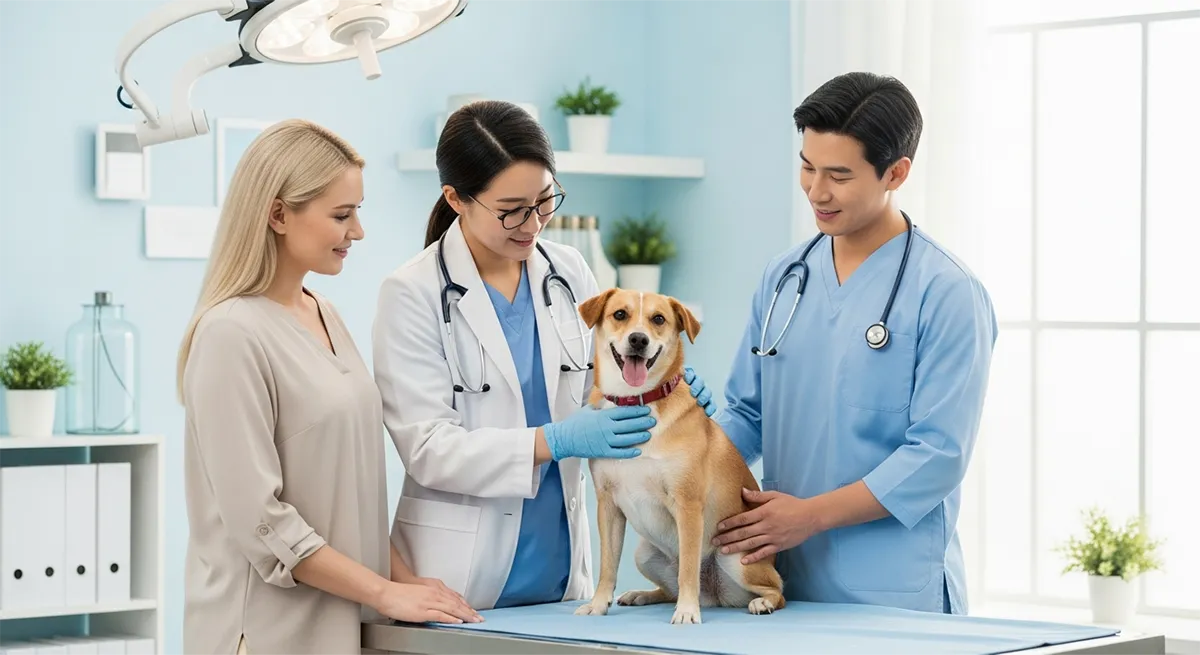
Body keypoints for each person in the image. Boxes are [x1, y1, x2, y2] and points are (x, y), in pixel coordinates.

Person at [371, 100, 712, 612]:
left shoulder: (568, 270)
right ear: (456, 198)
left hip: (560, 569)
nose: (533, 224)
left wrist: (662, 390)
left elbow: (599, 388)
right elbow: (428, 449)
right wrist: (552, 441)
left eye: (545, 200)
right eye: (511, 209)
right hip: (457, 573)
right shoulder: (412, 293)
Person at [177, 119, 479, 655]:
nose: (358, 231)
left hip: (340, 625)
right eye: (342, 215)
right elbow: (263, 523)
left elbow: (345, 498)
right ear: (277, 215)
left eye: (357, 212)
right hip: (265, 635)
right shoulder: (230, 335)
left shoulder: (324, 313)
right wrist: (386, 593)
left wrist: (404, 579)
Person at [706, 72, 997, 616]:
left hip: (891, 594)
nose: (817, 191)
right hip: (780, 583)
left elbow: (937, 456)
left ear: (896, 172)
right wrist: (685, 451)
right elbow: (747, 413)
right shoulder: (784, 277)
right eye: (807, 167)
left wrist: (809, 516)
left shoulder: (948, 293)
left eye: (839, 175)